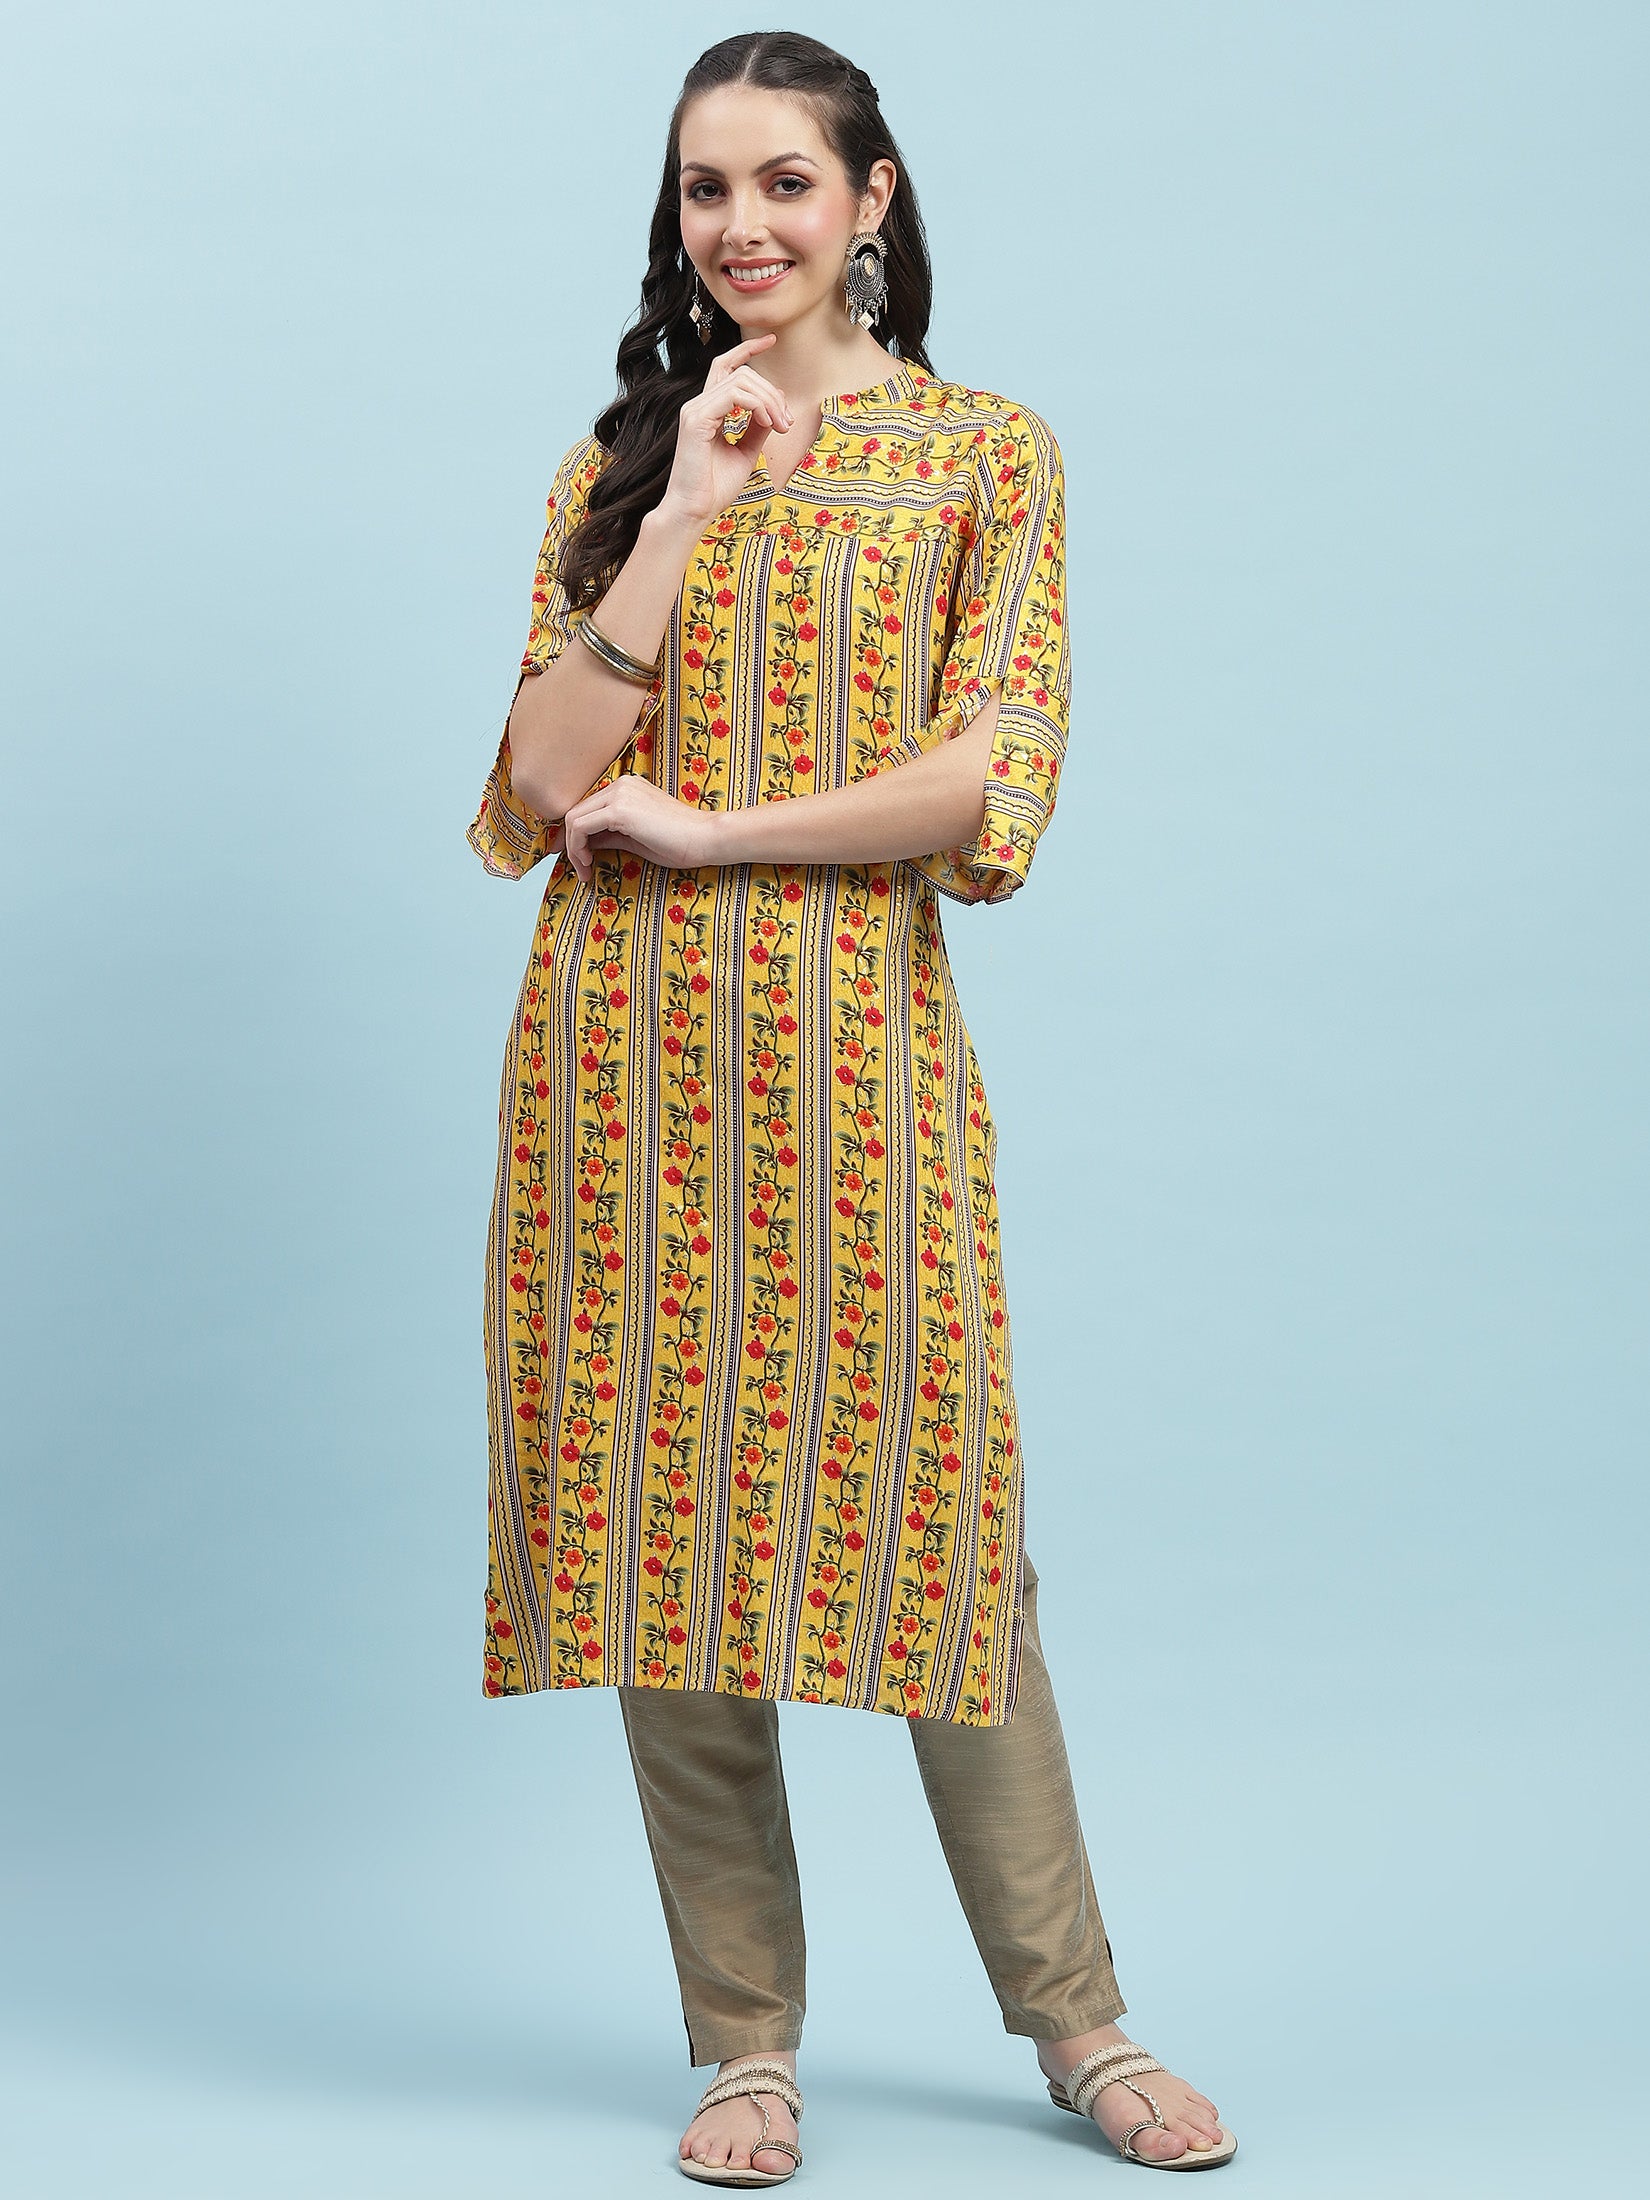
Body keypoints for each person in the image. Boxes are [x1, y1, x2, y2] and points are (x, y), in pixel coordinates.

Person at [467, 30, 1236, 2186]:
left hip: (854, 1054)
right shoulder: (624, 459)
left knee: (941, 1528)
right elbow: (534, 784)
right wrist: (683, 512)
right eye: (705, 189)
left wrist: (720, 832)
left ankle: (1079, 2021)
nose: (744, 226)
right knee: (667, 1539)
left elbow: (992, 775)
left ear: (871, 196)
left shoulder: (985, 452)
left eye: (785, 182)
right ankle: (744, 2044)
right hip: (620, 1075)